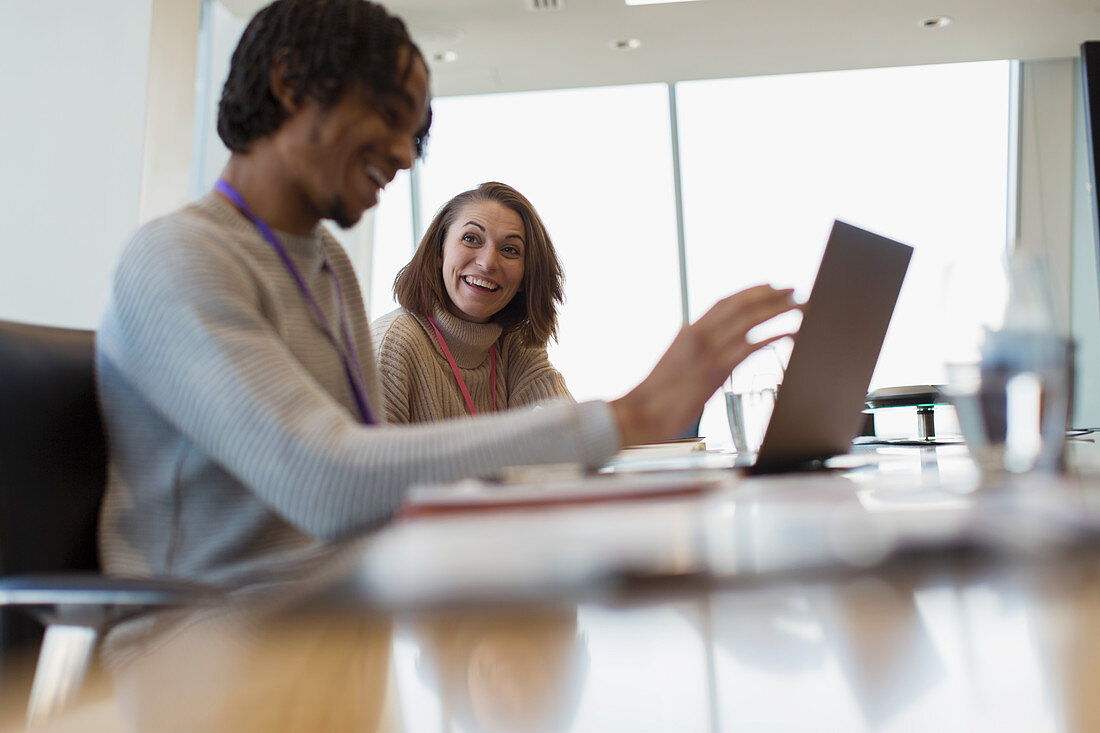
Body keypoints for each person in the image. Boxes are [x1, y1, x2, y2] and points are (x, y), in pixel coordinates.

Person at [96, 0, 797, 594]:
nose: (406, 155)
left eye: (415, 134)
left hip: (345, 609)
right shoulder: (176, 256)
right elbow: (328, 479)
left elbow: (378, 475)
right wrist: (624, 417)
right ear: (289, 83)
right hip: (208, 636)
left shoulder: (327, 264)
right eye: (391, 117)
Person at [372, 182, 572, 424]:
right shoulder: (393, 344)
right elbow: (368, 461)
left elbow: (572, 435)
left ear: (525, 276)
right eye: (471, 239)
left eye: (509, 249)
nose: (488, 263)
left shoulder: (512, 342)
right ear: (438, 251)